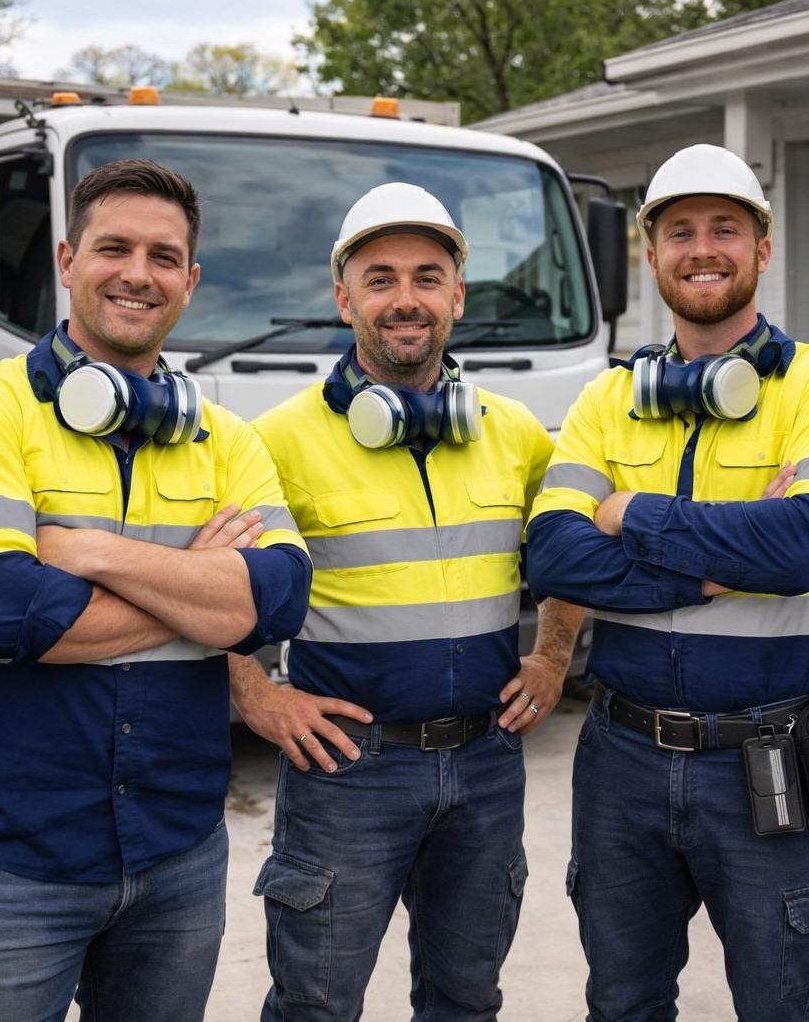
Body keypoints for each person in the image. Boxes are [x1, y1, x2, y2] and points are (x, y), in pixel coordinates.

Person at [526, 144, 809, 1021]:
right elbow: (552, 559)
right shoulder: (608, 399)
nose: (701, 246)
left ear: (763, 249)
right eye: (679, 231)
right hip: (621, 761)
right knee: (623, 1001)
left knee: (782, 1002)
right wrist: (721, 572)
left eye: (725, 227)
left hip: (769, 760)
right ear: (651, 257)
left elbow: (804, 546)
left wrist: (630, 511)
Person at [229, 182, 584, 1021]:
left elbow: (573, 555)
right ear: (343, 295)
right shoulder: (274, 438)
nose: (405, 299)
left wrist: (554, 653)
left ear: (457, 296)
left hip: (489, 763)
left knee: (466, 999)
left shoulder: (516, 431)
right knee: (316, 1003)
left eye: (428, 277)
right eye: (379, 277)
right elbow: (215, 581)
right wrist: (256, 696)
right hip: (349, 770)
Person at [0, 158, 311, 1022]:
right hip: (10, 861)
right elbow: (4, 610)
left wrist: (90, 552)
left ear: (189, 281)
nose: (138, 273)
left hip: (179, 856)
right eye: (114, 248)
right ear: (66, 259)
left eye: (164, 257)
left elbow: (275, 603)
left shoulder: (225, 435)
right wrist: (201, 585)